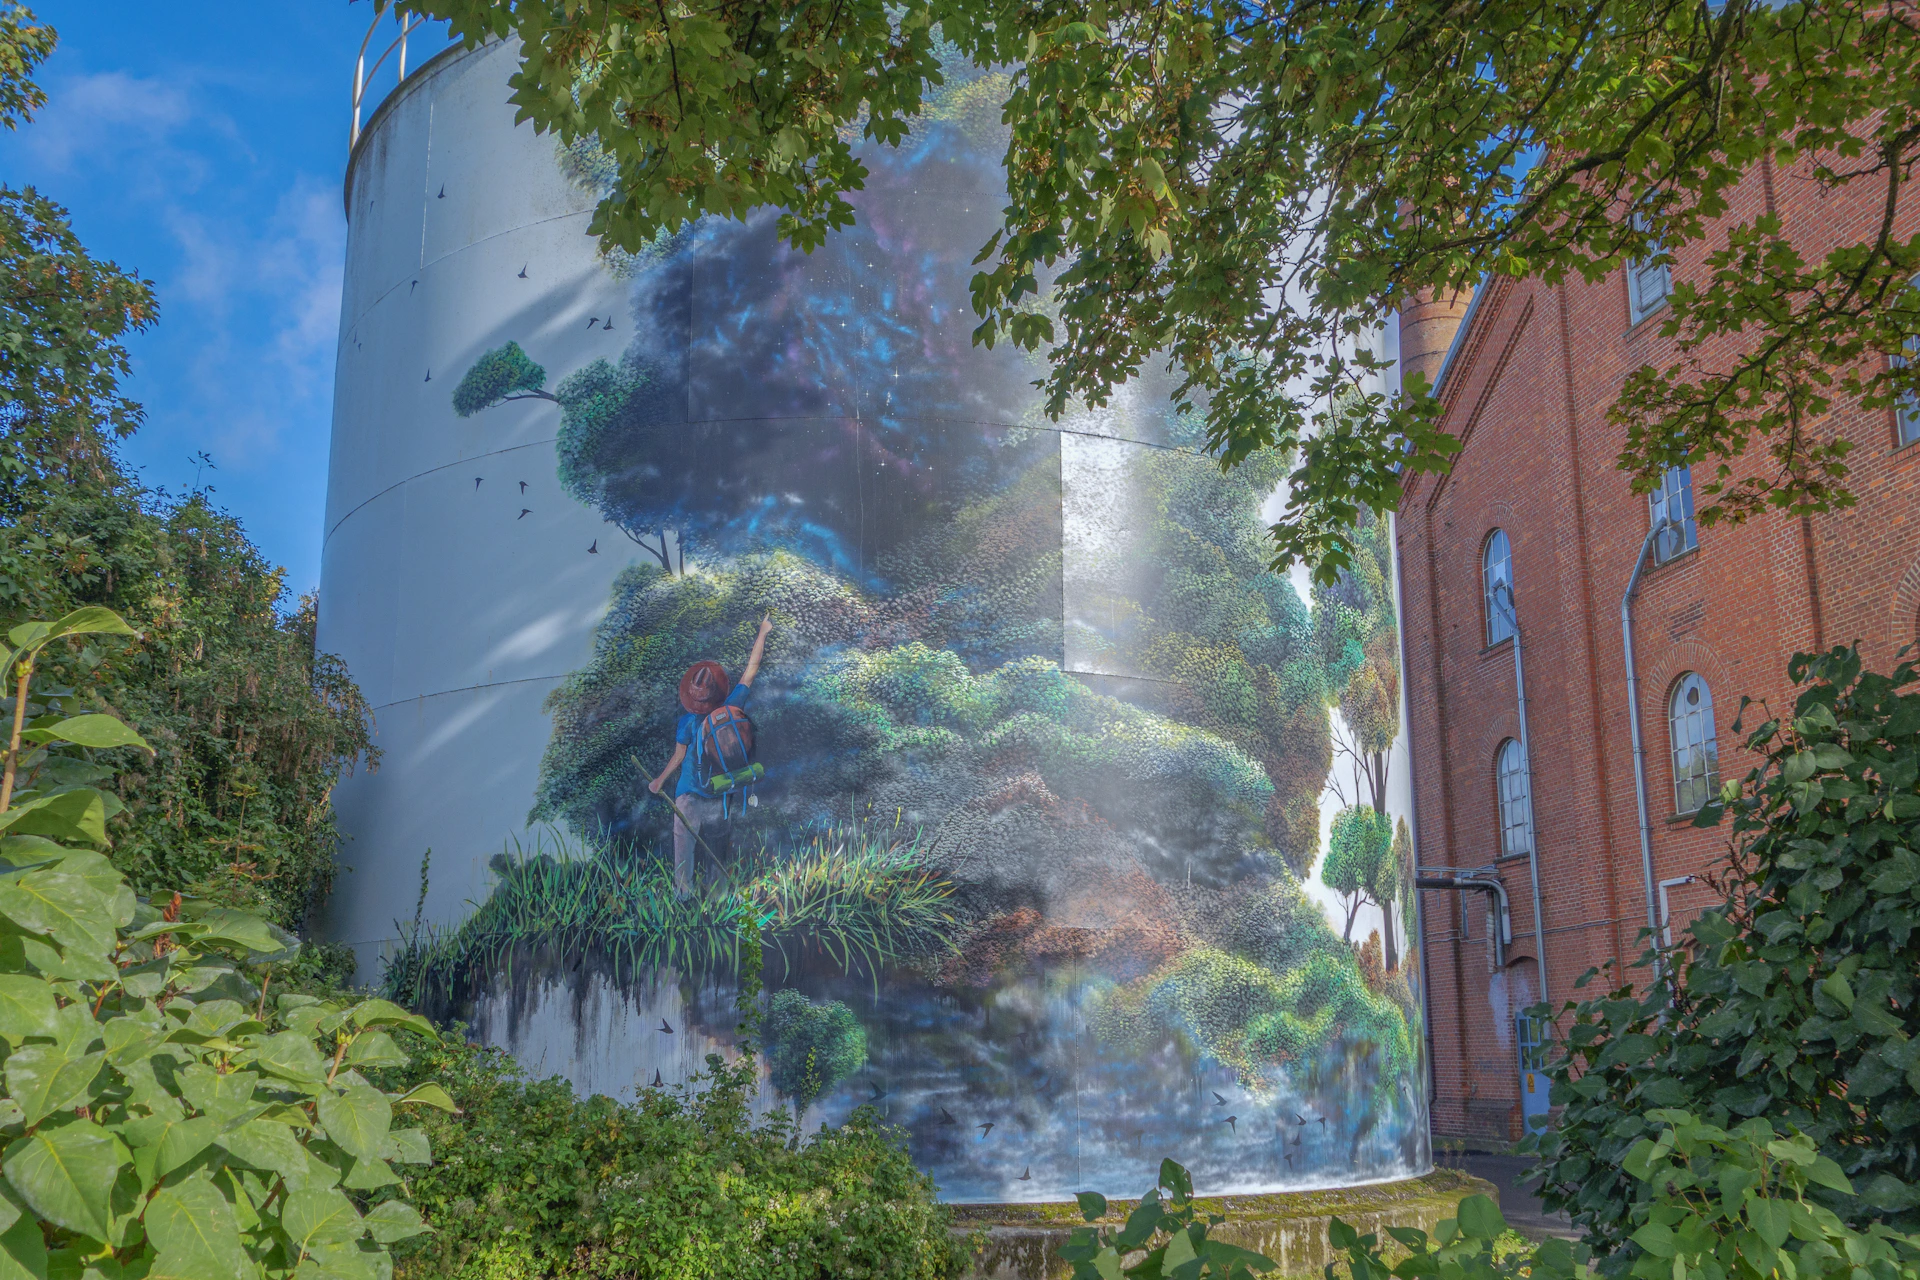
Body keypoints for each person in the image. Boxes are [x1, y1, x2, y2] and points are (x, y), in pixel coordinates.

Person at [648, 613, 773, 893]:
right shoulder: (731, 705)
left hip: (690, 793)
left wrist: (659, 780)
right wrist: (763, 632)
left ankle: (683, 896)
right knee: (718, 846)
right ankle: (719, 898)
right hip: (720, 791)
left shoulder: (687, 722)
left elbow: (679, 757)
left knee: (684, 845)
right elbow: (751, 671)